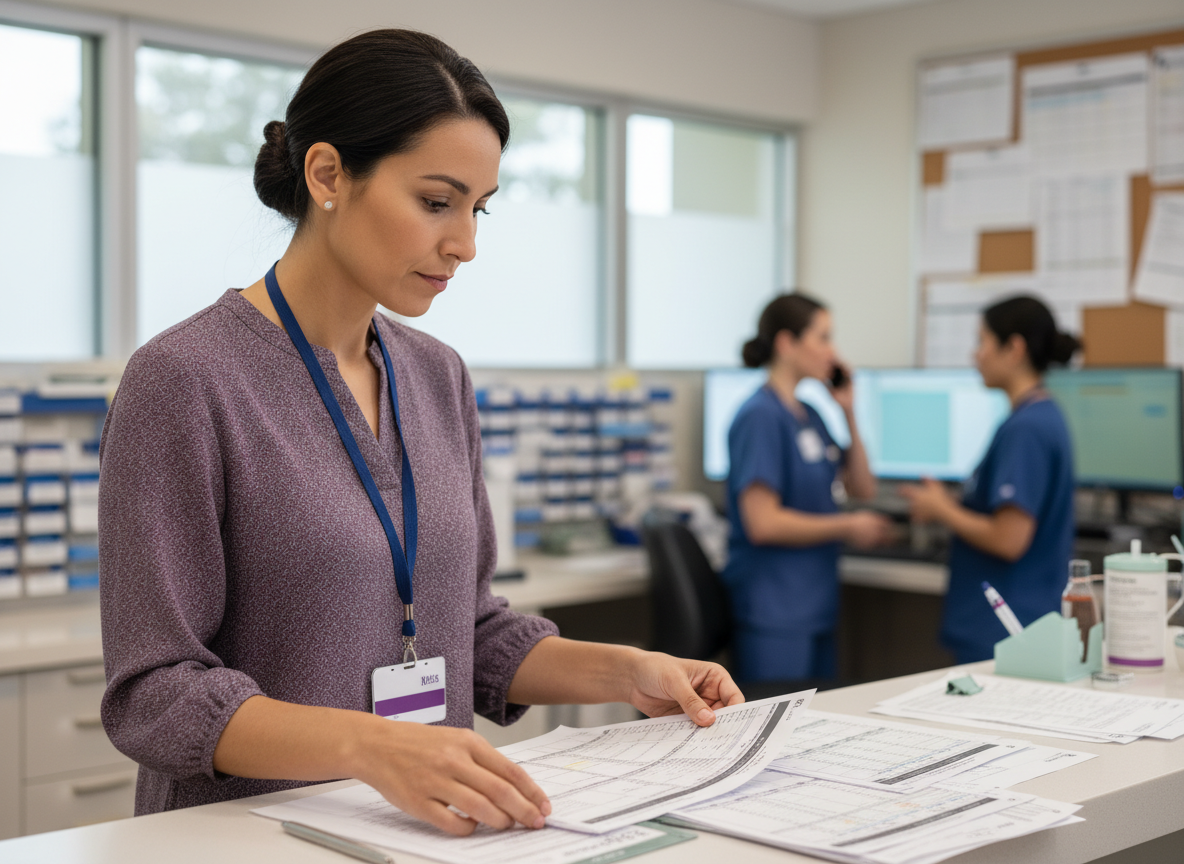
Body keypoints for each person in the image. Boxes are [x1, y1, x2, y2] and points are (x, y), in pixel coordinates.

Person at [98, 29, 742, 837]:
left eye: (479, 208)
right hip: (248, 839)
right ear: (327, 175)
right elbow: (153, 694)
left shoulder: (438, 376)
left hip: (428, 836)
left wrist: (627, 671)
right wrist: (369, 747)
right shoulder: (185, 380)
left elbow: (468, 629)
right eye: (437, 202)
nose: (464, 244)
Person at [723, 293, 892, 682]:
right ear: (787, 343)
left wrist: (848, 410)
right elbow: (763, 523)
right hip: (775, 610)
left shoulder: (810, 415)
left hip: (814, 604)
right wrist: (848, 527)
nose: (833, 353)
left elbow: (863, 487)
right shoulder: (760, 417)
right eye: (823, 338)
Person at [901, 296, 1079, 664]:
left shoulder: (1027, 429)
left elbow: (1008, 539)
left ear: (1014, 349)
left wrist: (941, 509)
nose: (976, 354)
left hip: (1006, 628)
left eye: (982, 342)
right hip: (1018, 620)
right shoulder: (1041, 415)